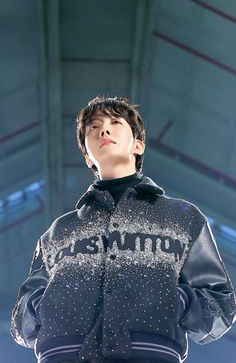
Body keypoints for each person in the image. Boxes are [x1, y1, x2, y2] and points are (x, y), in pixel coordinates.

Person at [11, 96, 236, 363]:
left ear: (138, 145)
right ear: (87, 157)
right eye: (92, 128)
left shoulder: (182, 218)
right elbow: (21, 322)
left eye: (115, 122)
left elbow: (221, 305)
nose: (103, 130)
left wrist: (172, 299)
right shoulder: (59, 231)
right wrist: (46, 304)